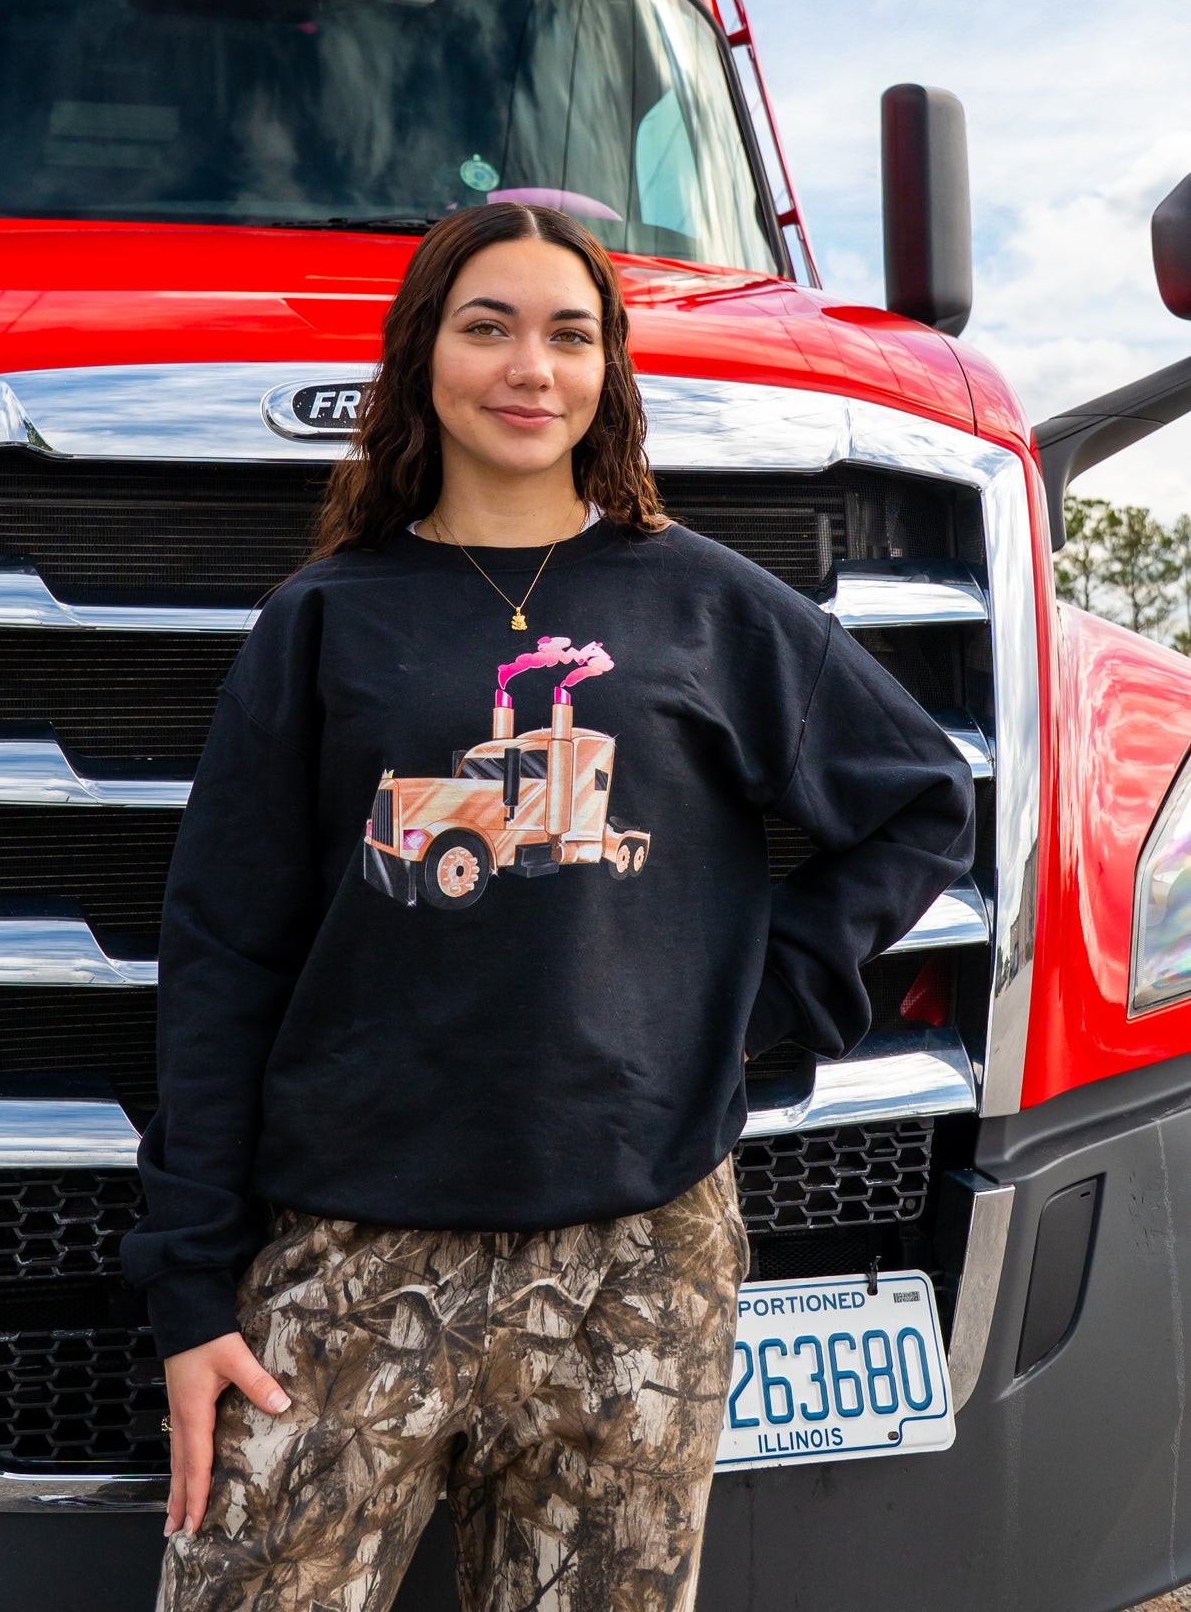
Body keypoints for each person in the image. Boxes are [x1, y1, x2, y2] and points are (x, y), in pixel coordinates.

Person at [122, 202, 976, 1611]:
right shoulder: (326, 619)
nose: (530, 368)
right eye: (487, 326)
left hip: (639, 1255)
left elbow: (917, 798)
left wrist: (750, 1000)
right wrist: (193, 1290)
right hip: (351, 1254)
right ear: (422, 360)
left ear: (607, 371)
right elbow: (222, 955)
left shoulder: (698, 603)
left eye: (568, 334)